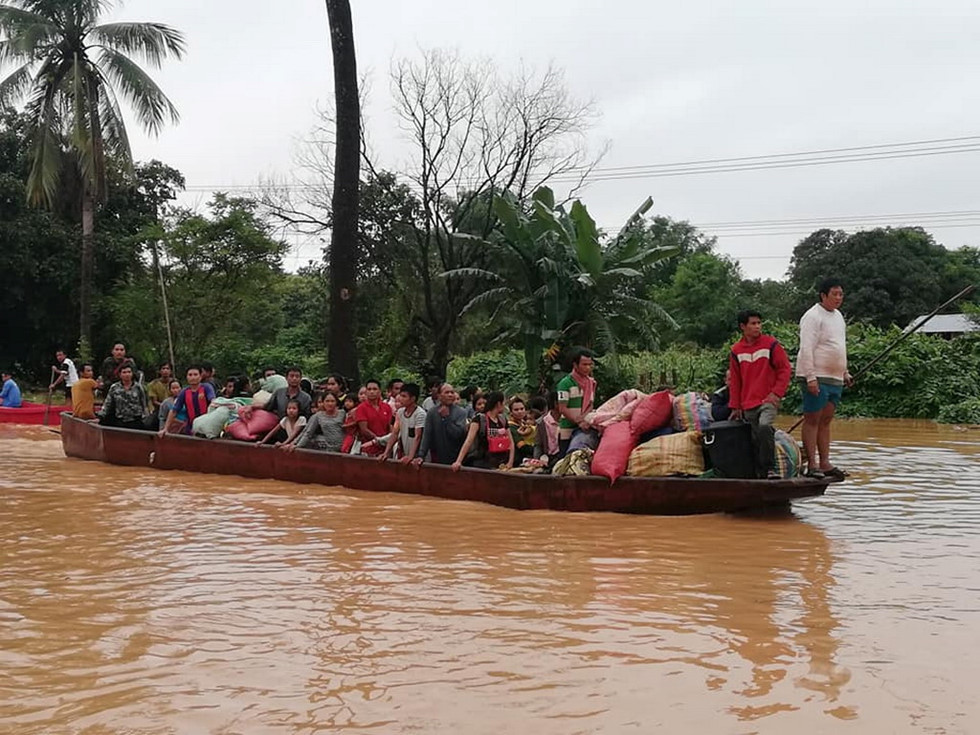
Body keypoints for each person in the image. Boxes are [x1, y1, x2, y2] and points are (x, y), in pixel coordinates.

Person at [797, 278, 853, 482]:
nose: (839, 298)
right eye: (835, 294)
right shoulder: (812, 316)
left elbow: (839, 346)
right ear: (823, 295)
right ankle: (812, 464)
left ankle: (825, 461)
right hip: (816, 376)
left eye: (841, 294)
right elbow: (806, 348)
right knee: (812, 419)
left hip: (835, 377)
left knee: (826, 420)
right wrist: (810, 377)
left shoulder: (839, 317)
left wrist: (844, 372)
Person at [728, 310, 793, 479]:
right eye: (753, 324)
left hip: (768, 399)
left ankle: (770, 468)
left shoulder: (771, 344)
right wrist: (735, 406)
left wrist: (776, 394)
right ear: (743, 327)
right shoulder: (736, 350)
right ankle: (759, 473)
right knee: (755, 437)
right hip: (748, 402)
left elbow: (785, 369)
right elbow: (735, 381)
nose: (757, 327)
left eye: (759, 323)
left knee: (765, 426)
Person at [452, 391, 514, 471]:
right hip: (483, 462)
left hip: (501, 462)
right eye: (503, 403)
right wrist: (458, 461)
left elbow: (511, 442)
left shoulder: (502, 420)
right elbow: (468, 441)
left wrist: (510, 462)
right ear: (499, 404)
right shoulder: (479, 419)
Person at [412, 383, 470, 466]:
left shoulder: (461, 412)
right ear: (439, 395)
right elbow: (427, 435)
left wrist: (447, 419)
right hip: (437, 455)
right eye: (447, 392)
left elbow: (458, 434)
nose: (450, 395)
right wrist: (421, 455)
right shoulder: (432, 412)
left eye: (452, 392)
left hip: (456, 457)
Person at [557, 347, 599, 457]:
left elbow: (590, 404)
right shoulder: (565, 383)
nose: (588, 368)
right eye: (584, 365)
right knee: (565, 458)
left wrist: (584, 420)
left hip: (585, 427)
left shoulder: (591, 383)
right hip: (568, 428)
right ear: (575, 365)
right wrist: (578, 421)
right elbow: (563, 408)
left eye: (590, 365)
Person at [159, 365, 215, 436]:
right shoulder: (184, 392)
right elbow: (174, 410)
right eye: (190, 375)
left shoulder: (206, 387)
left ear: (200, 376)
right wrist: (165, 429)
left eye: (195, 374)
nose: (193, 377)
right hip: (190, 428)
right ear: (187, 377)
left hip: (207, 427)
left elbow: (213, 400)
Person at [380, 382, 426, 463]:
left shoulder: (420, 414)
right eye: (400, 395)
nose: (401, 398)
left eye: (404, 396)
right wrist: (386, 453)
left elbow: (418, 436)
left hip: (418, 457)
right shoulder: (400, 412)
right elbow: (395, 433)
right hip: (405, 452)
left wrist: (410, 457)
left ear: (413, 399)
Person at [97, 364, 148, 429]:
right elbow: (107, 404)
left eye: (129, 372)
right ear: (120, 374)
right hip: (120, 420)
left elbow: (144, 404)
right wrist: (100, 417)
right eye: (124, 372)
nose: (127, 374)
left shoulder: (139, 387)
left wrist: (146, 418)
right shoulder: (114, 387)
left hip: (136, 420)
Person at [357, 379, 394, 456]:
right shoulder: (361, 408)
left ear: (379, 391)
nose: (372, 392)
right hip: (368, 447)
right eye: (369, 389)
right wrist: (378, 440)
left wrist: (387, 441)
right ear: (366, 392)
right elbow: (364, 429)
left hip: (386, 448)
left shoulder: (387, 407)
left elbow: (390, 427)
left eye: (374, 389)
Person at [534, 390, 561, 469]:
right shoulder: (542, 422)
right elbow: (538, 444)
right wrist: (537, 461)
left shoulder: (567, 420)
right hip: (547, 458)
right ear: (556, 403)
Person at [507, 397, 536, 463]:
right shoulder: (511, 426)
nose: (520, 411)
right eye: (516, 410)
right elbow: (522, 447)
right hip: (518, 460)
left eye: (522, 409)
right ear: (511, 412)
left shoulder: (524, 423)